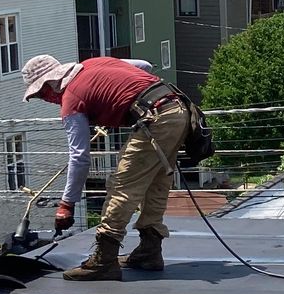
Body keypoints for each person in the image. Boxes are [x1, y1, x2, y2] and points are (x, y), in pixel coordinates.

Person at [20, 54, 191, 281]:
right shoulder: (92, 64)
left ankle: (104, 261)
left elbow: (80, 157)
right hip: (177, 108)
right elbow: (144, 65)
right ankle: (149, 252)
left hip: (156, 119)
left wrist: (67, 204)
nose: (46, 100)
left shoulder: (72, 100)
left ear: (50, 84)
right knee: (155, 184)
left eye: (41, 95)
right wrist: (119, 99)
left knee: (122, 185)